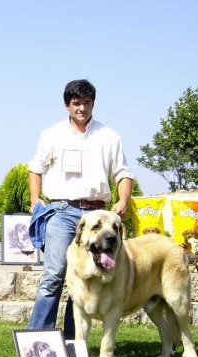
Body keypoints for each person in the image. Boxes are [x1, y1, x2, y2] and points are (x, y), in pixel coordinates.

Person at [27, 79, 133, 339]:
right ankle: (36, 338)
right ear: (67, 105)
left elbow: (123, 174)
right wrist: (34, 200)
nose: (82, 108)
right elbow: (35, 169)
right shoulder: (52, 134)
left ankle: (73, 342)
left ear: (93, 104)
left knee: (84, 278)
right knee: (54, 274)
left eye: (87, 103)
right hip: (62, 212)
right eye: (77, 103)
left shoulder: (109, 136)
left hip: (98, 215)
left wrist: (123, 201)